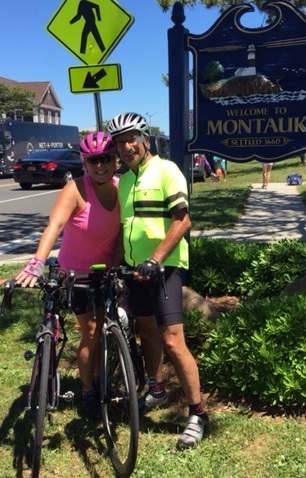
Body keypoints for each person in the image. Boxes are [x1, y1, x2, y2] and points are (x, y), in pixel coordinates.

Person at [108, 112, 208, 449]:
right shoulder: (124, 181)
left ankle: (197, 412)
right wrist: (115, 265)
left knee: (172, 340)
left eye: (131, 138)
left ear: (145, 138)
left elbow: (182, 221)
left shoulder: (166, 170)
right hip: (137, 271)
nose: (126, 146)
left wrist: (156, 259)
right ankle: (156, 389)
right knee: (145, 332)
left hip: (165, 269)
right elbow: (126, 228)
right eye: (120, 142)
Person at [15, 132, 120, 419]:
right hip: (75, 274)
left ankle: (103, 377)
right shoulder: (74, 189)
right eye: (93, 160)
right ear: (84, 163)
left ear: (115, 159)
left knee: (105, 331)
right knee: (90, 332)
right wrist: (36, 262)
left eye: (106, 158)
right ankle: (87, 391)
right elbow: (54, 225)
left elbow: (125, 230)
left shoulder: (123, 188)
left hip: (106, 272)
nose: (100, 165)